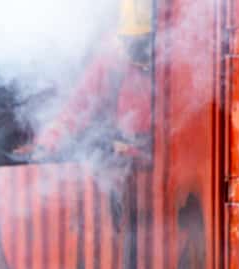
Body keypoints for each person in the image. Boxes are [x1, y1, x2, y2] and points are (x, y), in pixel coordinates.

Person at [25, 0, 154, 165]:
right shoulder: (112, 55)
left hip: (156, 165)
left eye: (143, 43)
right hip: (125, 167)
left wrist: (135, 151)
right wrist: (48, 143)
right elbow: (78, 106)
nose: (136, 52)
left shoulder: (182, 65)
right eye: (130, 43)